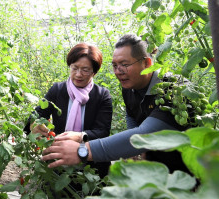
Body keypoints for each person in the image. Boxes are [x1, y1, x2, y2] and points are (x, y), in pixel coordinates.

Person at [41, 34, 190, 174]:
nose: (118, 72)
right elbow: (131, 115)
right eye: (115, 65)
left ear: (146, 63)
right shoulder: (129, 88)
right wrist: (136, 150)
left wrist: (83, 151)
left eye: (124, 64)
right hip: (155, 170)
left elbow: (146, 132)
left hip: (185, 171)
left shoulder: (174, 90)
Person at [24, 43, 113, 179]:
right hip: (58, 162)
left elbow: (102, 131)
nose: (78, 74)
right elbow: (37, 114)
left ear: (94, 72)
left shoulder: (102, 96)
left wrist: (80, 136)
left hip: (91, 168)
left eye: (85, 70)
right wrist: (34, 124)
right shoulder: (57, 90)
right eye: (74, 68)